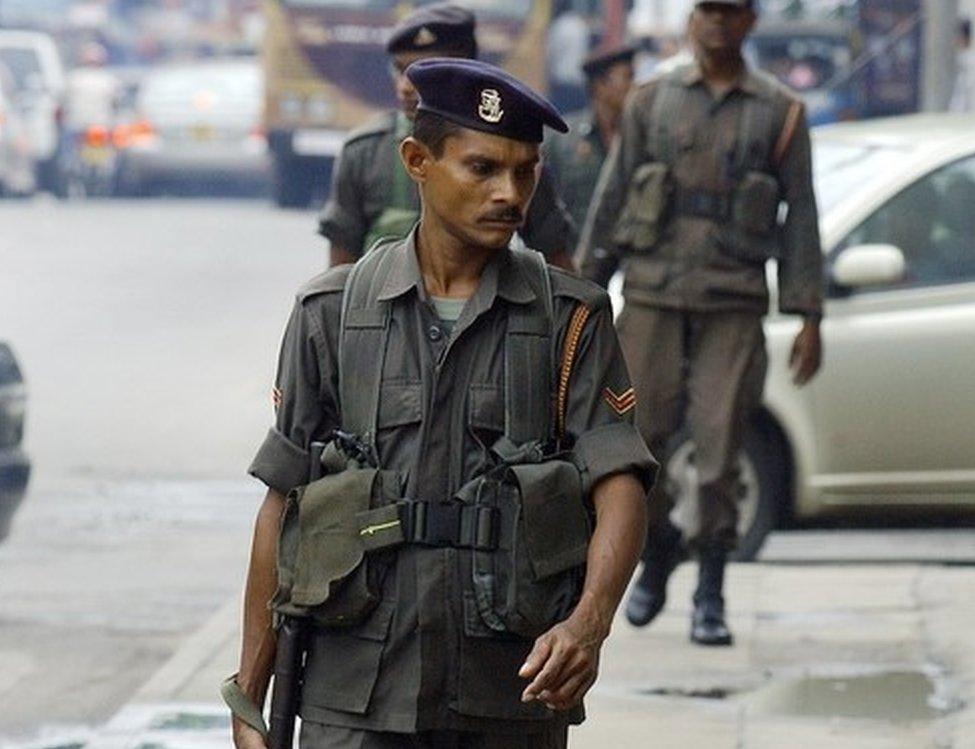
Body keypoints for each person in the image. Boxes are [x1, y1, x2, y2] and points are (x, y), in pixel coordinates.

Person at [229, 58, 657, 748]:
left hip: (506, 688)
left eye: (525, 172)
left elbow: (620, 480)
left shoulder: (570, 318)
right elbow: (282, 502)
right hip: (355, 692)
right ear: (417, 160)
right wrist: (250, 690)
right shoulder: (330, 313)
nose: (509, 193)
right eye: (483, 168)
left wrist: (589, 622)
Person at [576, 0, 824, 647]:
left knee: (719, 450)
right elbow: (613, 194)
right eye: (707, 9)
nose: (717, 22)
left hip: (733, 301)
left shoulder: (780, 111)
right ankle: (658, 551)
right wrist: (581, 291)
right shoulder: (651, 101)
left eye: (730, 11)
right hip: (654, 294)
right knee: (639, 446)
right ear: (691, 20)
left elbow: (801, 216)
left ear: (749, 22)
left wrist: (809, 313)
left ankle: (711, 588)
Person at [318, 3, 577, 271]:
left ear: (465, 69)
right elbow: (341, 268)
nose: (405, 86)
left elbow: (557, 257)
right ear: (414, 159)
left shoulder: (513, 158)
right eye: (399, 69)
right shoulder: (365, 152)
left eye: (423, 71)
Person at [546, 44, 636, 230]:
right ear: (601, 85)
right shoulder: (562, 138)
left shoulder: (640, 136)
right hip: (572, 250)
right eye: (627, 77)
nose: (634, 86)